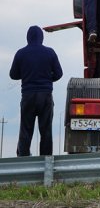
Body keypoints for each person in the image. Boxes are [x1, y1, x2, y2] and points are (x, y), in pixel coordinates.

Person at [10, 26, 63, 157]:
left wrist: (26, 74)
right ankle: (45, 162)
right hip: (45, 96)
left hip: (28, 95)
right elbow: (59, 73)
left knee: (26, 130)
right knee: (46, 131)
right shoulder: (50, 52)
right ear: (41, 37)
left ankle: (23, 161)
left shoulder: (20, 53)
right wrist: (48, 79)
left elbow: (13, 75)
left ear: (28, 37)